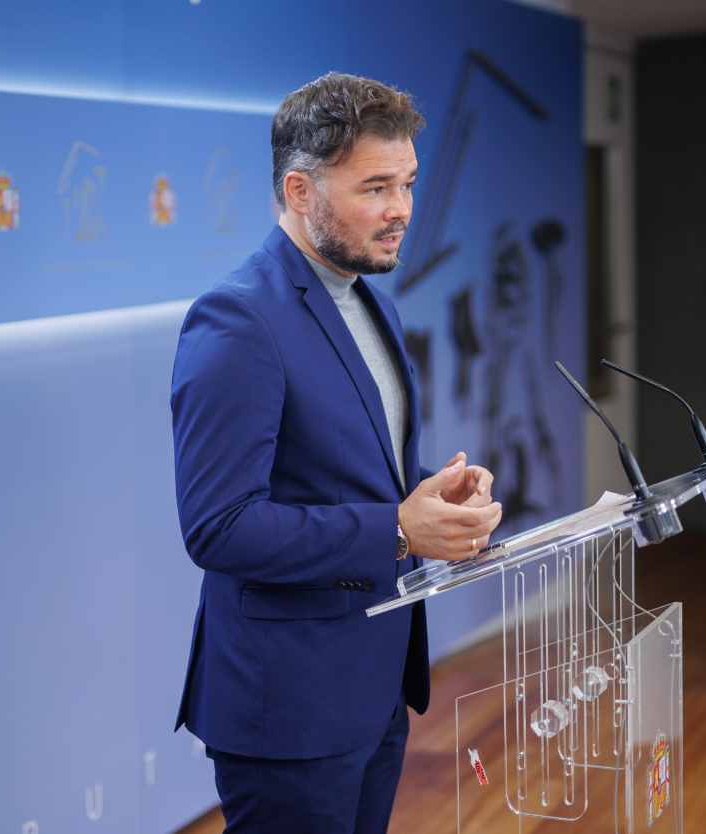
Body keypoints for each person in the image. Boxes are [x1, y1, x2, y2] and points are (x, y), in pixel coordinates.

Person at [170, 72, 503, 833]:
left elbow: (349, 474)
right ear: (299, 190)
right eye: (376, 188)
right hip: (286, 709)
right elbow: (218, 526)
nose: (402, 212)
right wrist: (396, 527)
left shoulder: (367, 299)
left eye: (409, 184)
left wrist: (429, 497)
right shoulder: (236, 320)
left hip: (372, 685)